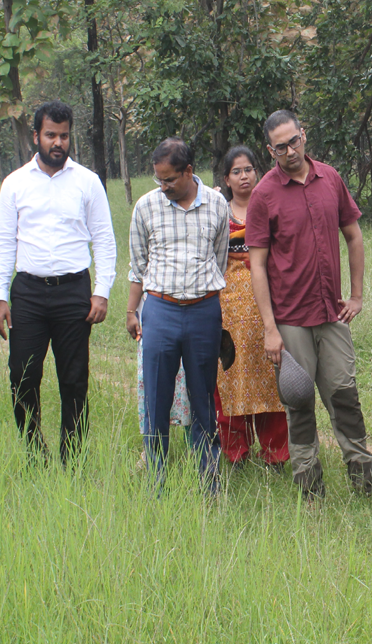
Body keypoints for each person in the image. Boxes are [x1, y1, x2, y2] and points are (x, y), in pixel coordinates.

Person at [247, 110, 372, 500]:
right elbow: (257, 264)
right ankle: (311, 491)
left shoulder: (330, 178)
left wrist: (356, 295)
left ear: (304, 135)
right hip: (289, 318)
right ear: (270, 151)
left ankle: (365, 483)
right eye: (280, 147)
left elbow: (354, 236)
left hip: (331, 313)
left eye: (294, 141)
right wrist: (270, 329)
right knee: (298, 400)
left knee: (344, 394)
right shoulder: (264, 195)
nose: (290, 151)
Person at [0, 101, 117, 465]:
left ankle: (72, 457)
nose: (58, 142)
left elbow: (104, 239)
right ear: (36, 136)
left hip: (74, 292)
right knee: (22, 376)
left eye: (64, 135)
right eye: (51, 135)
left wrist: (101, 291)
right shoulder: (14, 184)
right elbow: (4, 242)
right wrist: (0, 296)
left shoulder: (87, 182)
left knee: (74, 379)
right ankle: (35, 452)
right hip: (28, 292)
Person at [126, 138, 229, 488]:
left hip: (203, 312)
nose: (163, 187)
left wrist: (201, 295)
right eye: (159, 180)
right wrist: (132, 309)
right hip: (160, 311)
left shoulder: (217, 204)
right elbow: (139, 263)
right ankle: (158, 481)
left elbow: (220, 258)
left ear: (188, 171)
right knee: (157, 398)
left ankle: (209, 483)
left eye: (169, 179)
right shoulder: (146, 207)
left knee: (202, 398)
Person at [213, 145, 289, 469]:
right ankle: (235, 452)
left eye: (248, 169)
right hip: (228, 308)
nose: (244, 176)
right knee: (231, 376)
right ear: (227, 179)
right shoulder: (218, 212)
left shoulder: (270, 206)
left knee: (272, 378)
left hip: (268, 308)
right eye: (236, 171)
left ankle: (275, 453)